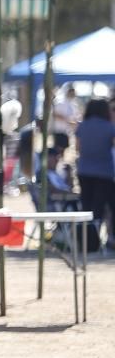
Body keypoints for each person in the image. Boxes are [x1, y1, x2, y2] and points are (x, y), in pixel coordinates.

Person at [75, 98, 115, 247]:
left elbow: (78, 148)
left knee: (86, 206)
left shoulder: (82, 126)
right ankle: (95, 241)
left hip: (84, 171)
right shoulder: (109, 127)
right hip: (104, 172)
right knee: (99, 208)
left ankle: (85, 242)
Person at [52, 85, 80, 151]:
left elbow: (75, 117)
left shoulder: (73, 104)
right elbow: (55, 114)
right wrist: (67, 120)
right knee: (58, 149)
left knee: (64, 149)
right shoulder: (60, 102)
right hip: (59, 130)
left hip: (67, 131)